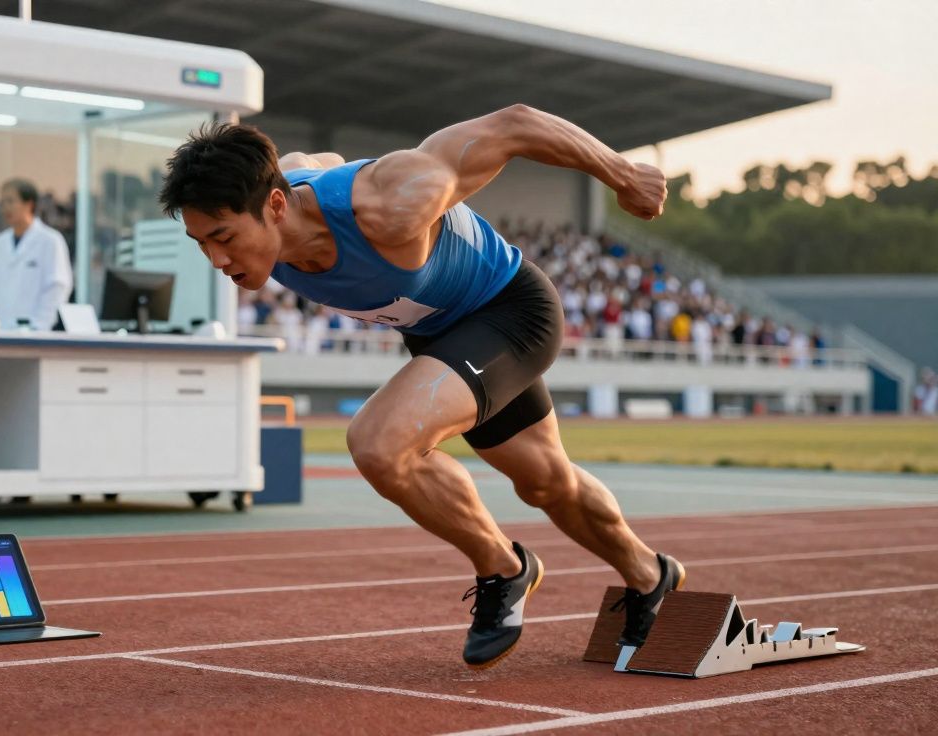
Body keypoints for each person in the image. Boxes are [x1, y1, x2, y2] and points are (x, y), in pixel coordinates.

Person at [159, 108, 683, 669]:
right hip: (440, 334)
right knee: (546, 483)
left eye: (223, 237)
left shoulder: (390, 202)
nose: (216, 259)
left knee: (380, 443)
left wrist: (623, 174)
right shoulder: (286, 185)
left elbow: (514, 125)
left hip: (510, 312)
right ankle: (652, 575)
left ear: (276, 207)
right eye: (200, 243)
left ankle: (504, 566)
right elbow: (316, 164)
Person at [0, 179, 72, 330]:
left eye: (11, 201)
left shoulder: (50, 241)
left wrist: (39, 325)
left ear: (29, 204)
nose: (5, 208)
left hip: (35, 333)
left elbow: (57, 288)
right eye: (2, 202)